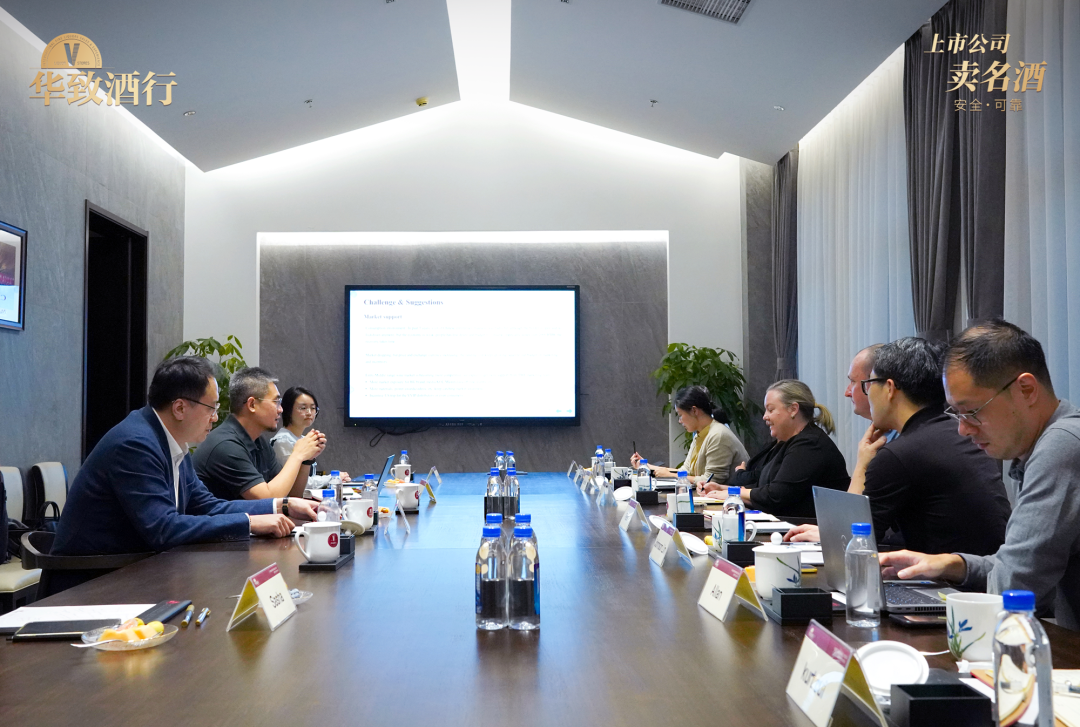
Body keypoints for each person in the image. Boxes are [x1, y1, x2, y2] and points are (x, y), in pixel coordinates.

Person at [879, 320, 1080, 630]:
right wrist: (951, 563)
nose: (962, 429)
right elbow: (1013, 566)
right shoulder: (1049, 443)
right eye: (955, 413)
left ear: (1026, 390)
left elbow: (1012, 588)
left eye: (971, 412)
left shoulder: (1062, 446)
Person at [52, 356, 317, 558]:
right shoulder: (135, 444)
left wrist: (282, 505)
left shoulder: (171, 442)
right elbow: (164, 528)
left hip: (137, 568)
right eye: (211, 408)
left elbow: (208, 506)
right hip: (92, 581)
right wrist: (250, 522)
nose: (215, 417)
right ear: (179, 408)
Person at [789, 338, 1010, 555]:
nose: (865, 393)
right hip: (986, 569)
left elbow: (850, 542)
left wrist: (862, 466)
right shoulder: (956, 432)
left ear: (889, 388)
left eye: (868, 384)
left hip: (949, 576)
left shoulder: (900, 454)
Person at [195, 367, 326, 501]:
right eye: (276, 402)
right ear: (252, 404)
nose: (281, 410)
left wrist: (306, 460)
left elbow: (292, 494)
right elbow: (267, 499)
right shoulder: (226, 445)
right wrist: (297, 455)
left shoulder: (259, 441)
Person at [728, 380, 849, 518]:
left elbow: (776, 495)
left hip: (805, 528)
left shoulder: (810, 445)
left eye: (770, 409)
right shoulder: (788, 444)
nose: (765, 416)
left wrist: (734, 493)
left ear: (793, 409)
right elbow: (764, 486)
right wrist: (725, 489)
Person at [630, 385, 749, 487]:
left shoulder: (718, 435)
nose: (680, 421)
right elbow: (685, 471)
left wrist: (671, 475)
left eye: (680, 415)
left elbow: (711, 481)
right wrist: (646, 466)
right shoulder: (701, 434)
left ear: (694, 411)